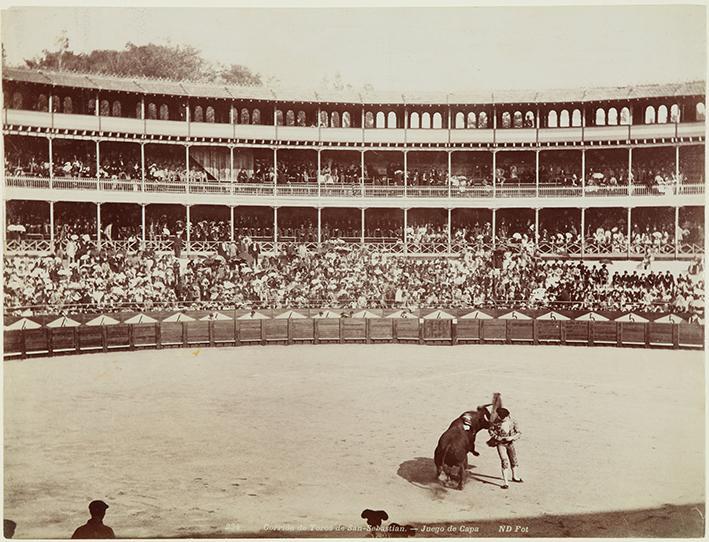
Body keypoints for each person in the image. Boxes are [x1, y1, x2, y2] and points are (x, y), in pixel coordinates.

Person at [488, 407, 523, 489]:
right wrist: (497, 437)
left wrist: (512, 437)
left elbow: (519, 433)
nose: (503, 419)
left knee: (513, 459)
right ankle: (506, 482)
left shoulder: (513, 421)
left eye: (504, 417)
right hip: (501, 444)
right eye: (501, 417)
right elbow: (490, 431)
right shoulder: (496, 422)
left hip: (510, 443)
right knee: (504, 461)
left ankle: (515, 477)